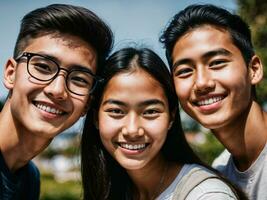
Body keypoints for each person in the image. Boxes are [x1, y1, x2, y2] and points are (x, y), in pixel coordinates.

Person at [81, 47, 247, 200]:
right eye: (116, 111)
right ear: (96, 118)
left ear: (171, 118)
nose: (132, 130)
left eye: (150, 112)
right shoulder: (116, 188)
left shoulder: (206, 194)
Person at [0, 3, 113, 199]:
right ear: (11, 73)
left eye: (79, 79)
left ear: (87, 103)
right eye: (43, 67)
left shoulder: (29, 178)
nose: (57, 90)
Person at [160, 4, 267, 200]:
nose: (201, 83)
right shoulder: (217, 179)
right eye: (184, 71)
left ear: (254, 69)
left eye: (217, 63)